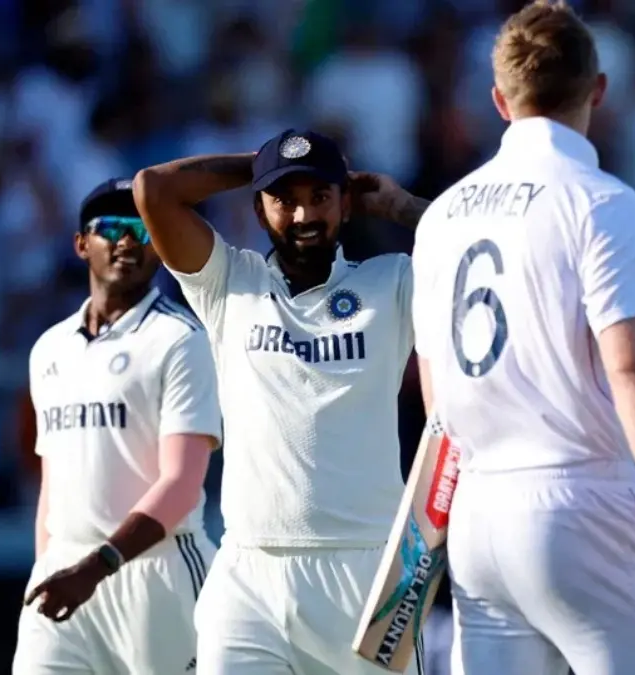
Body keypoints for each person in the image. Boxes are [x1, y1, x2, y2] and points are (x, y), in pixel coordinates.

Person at [409, 2, 635, 673]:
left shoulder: (438, 217)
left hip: (477, 511)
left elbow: (437, 398)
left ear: (500, 100)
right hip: (580, 497)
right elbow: (632, 367)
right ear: (599, 90)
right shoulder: (600, 200)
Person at [131, 130, 430, 675]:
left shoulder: (394, 281)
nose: (302, 215)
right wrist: (262, 163)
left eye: (319, 196)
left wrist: (403, 205)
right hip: (249, 574)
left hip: (371, 569)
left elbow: (493, 249)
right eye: (283, 199)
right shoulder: (229, 283)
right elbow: (153, 189)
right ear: (258, 205)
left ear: (346, 199)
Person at [14, 178, 223, 674]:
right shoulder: (49, 349)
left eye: (142, 228)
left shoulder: (181, 339)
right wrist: (51, 563)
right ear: (82, 244)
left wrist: (98, 566)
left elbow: (181, 482)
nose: (127, 240)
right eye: (111, 227)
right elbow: (54, 481)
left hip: (156, 573)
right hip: (66, 570)